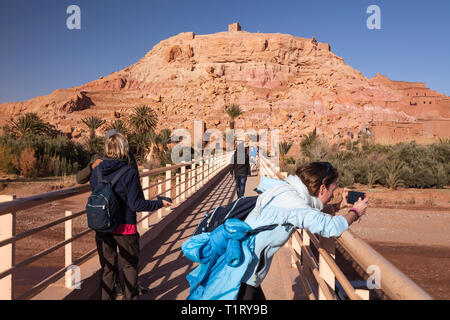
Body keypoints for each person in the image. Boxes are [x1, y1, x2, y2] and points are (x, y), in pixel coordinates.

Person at [236, 161, 369, 300]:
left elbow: (308, 213)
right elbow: (330, 227)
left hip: (244, 267)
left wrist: (339, 206)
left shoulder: (287, 192)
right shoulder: (294, 204)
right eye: (332, 191)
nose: (332, 196)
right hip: (243, 274)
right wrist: (355, 212)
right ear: (322, 188)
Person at [89, 132, 172, 300]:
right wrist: (160, 203)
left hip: (103, 226)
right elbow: (137, 205)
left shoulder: (96, 171)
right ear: (124, 149)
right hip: (125, 228)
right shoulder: (129, 173)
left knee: (107, 267)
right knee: (129, 267)